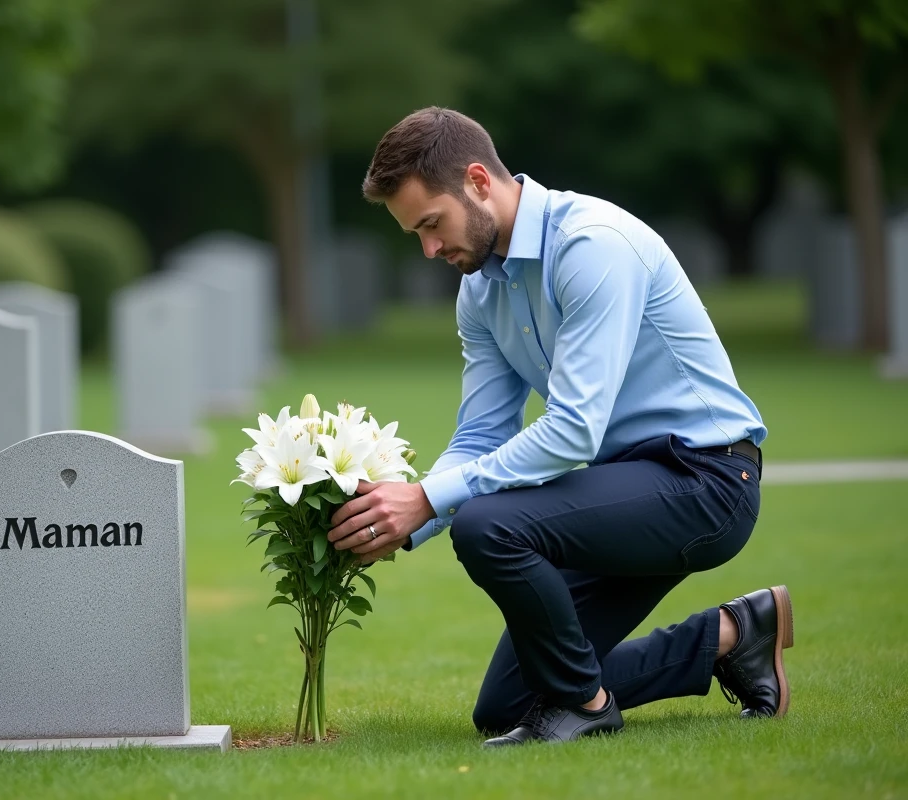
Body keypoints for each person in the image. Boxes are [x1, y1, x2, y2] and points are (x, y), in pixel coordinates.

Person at [326, 107, 794, 747]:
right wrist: (397, 519)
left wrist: (432, 501)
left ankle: (589, 707)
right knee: (509, 703)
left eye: (432, 224)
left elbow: (572, 431)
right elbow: (481, 436)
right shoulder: (480, 290)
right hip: (624, 488)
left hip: (707, 481)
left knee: (489, 525)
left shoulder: (592, 245)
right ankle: (733, 636)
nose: (430, 249)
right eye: (416, 234)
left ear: (478, 182)